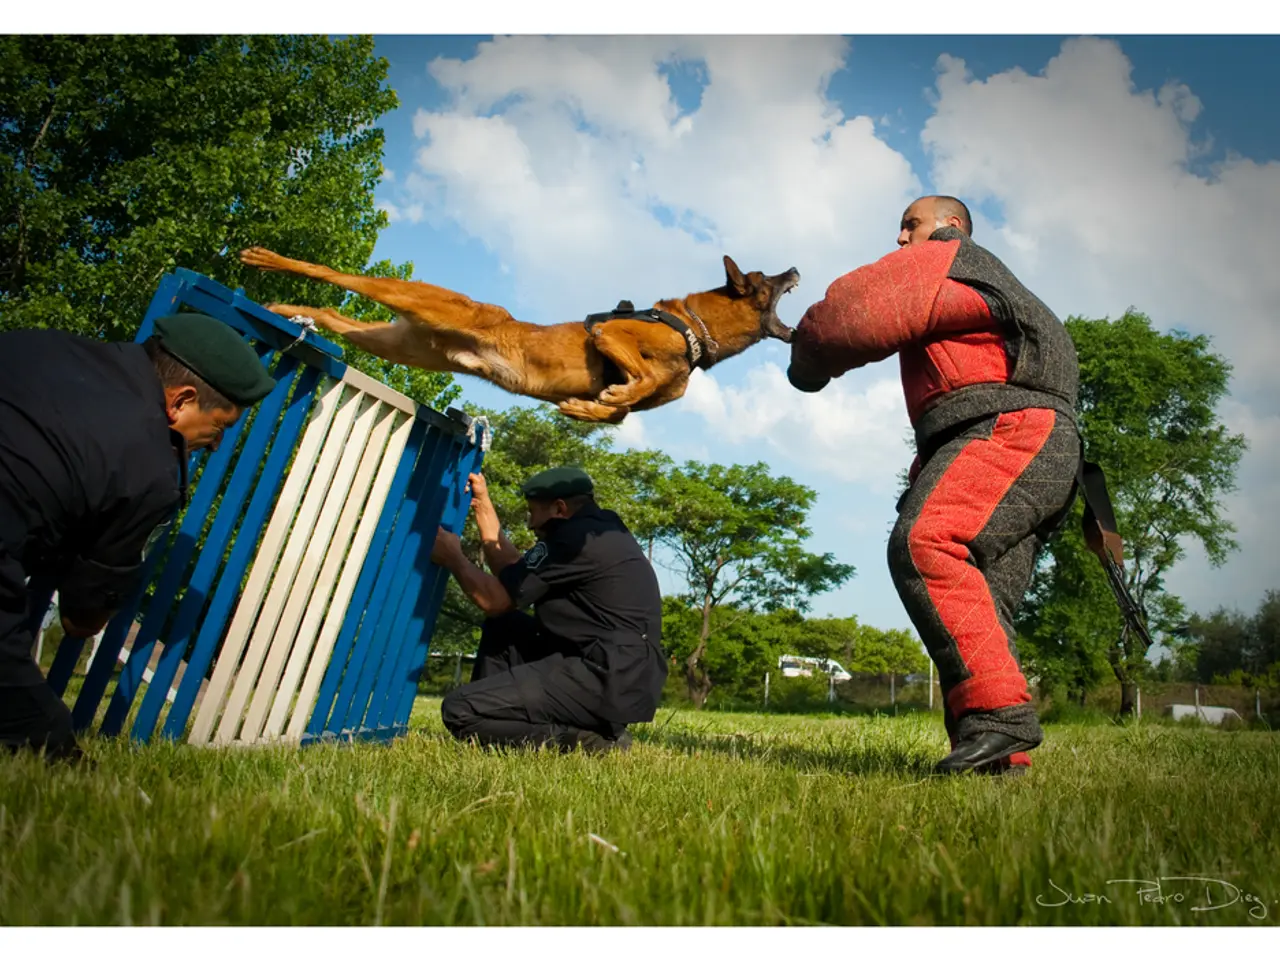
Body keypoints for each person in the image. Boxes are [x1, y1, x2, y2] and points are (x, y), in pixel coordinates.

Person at [786, 195, 1081, 776]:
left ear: (949, 225)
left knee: (927, 543)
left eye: (909, 224)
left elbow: (855, 312)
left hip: (1011, 431)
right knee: (981, 598)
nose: (900, 239)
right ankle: (999, 756)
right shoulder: (995, 284)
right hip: (1043, 446)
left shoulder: (953, 255)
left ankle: (1001, 719)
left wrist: (806, 354)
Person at [0, 313, 277, 760]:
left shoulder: (37, 342)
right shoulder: (149, 467)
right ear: (181, 401)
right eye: (220, 427)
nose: (216, 444)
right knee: (48, 744)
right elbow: (80, 620)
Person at [432, 466, 667, 754]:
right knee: (505, 626)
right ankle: (492, 727)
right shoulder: (596, 529)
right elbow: (514, 576)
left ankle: (584, 741)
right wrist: (482, 504)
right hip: (618, 670)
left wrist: (454, 559)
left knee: (459, 709)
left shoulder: (574, 541)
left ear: (559, 508)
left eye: (533, 512)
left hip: (603, 675)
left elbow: (495, 600)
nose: (530, 524)